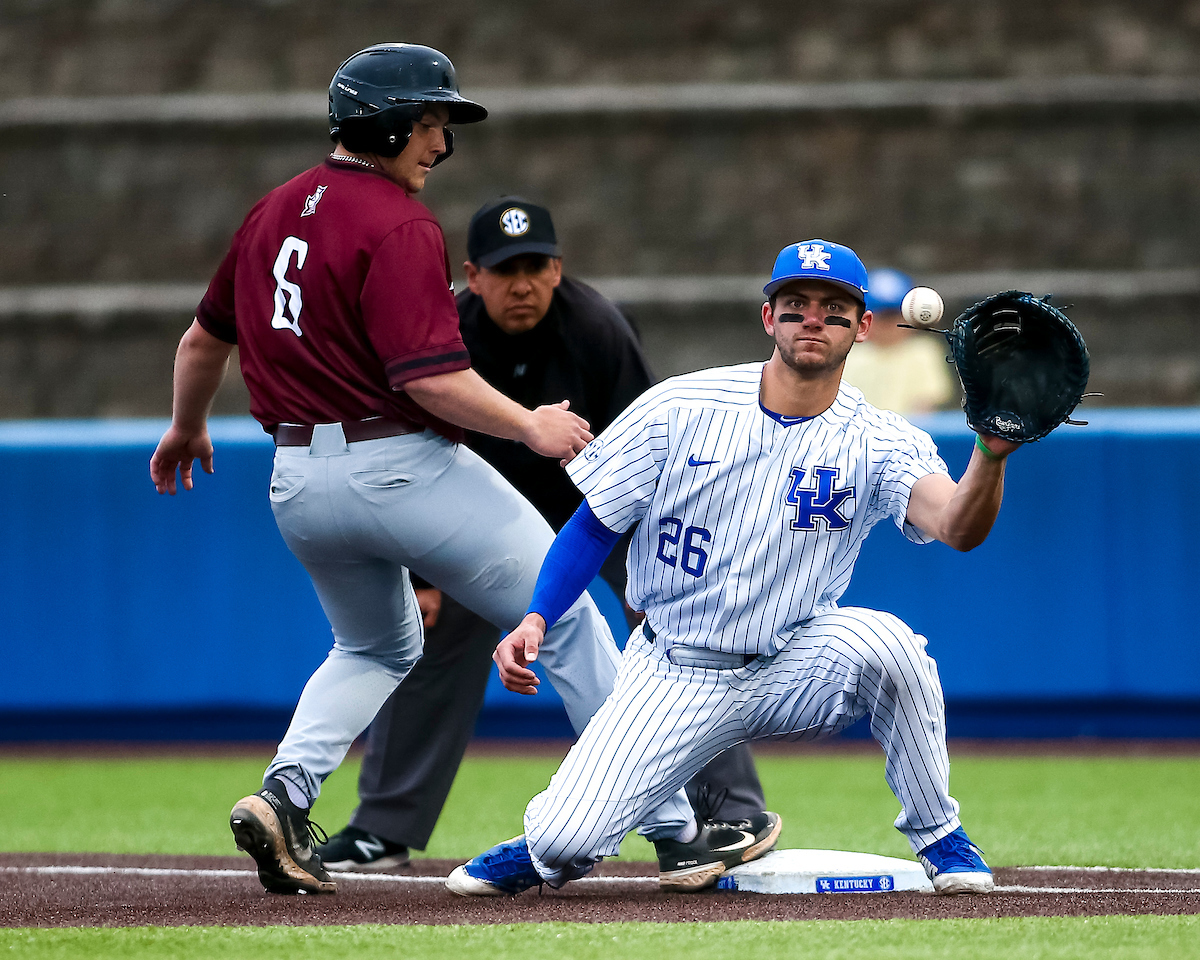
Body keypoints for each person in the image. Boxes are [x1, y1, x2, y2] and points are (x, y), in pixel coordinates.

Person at [147, 43, 697, 896]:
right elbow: (430, 379)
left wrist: (185, 426)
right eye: (434, 125)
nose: (440, 146)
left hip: (296, 477)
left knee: (373, 645)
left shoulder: (270, 211)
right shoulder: (399, 222)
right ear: (394, 123)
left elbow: (199, 341)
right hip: (397, 462)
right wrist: (531, 424)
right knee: (568, 619)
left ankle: (285, 797)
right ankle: (674, 829)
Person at [446, 239, 1015, 898]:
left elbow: (957, 527)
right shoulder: (679, 407)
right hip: (674, 669)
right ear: (768, 317)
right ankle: (554, 840)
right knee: (565, 842)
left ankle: (939, 834)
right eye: (796, 304)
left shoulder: (879, 438)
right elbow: (593, 524)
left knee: (893, 647)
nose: (813, 319)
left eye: (834, 309)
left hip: (795, 657)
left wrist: (991, 454)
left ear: (862, 326)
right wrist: (537, 617)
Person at [316, 196, 769, 872]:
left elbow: (655, 454)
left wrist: (656, 575)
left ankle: (732, 812)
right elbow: (404, 456)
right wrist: (418, 575)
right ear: (472, 275)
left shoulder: (596, 328)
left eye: (536, 266)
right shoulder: (440, 333)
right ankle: (385, 826)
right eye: (504, 270)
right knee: (433, 636)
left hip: (601, 511)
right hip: (479, 516)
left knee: (679, 635)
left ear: (558, 270)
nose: (521, 284)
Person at [841, 268, 957, 416]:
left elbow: (925, 408)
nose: (890, 325)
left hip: (908, 432)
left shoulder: (923, 351)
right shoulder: (849, 354)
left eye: (895, 315)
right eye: (883, 317)